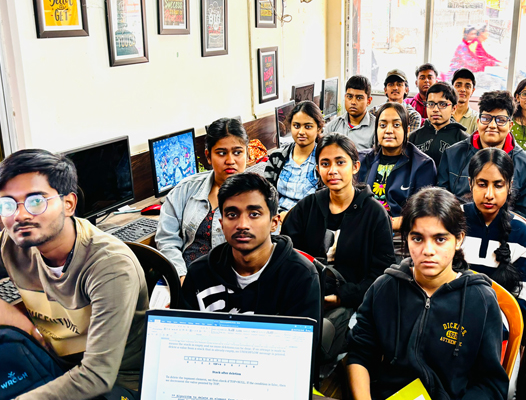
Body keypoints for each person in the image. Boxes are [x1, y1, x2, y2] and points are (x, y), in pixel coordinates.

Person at [0, 149, 148, 399]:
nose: (20, 215)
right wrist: (19, 320)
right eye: (7, 204)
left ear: (68, 204)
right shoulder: (12, 243)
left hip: (117, 382)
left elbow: (97, 376)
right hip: (55, 365)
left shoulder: (110, 266)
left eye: (36, 201)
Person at [347, 187, 508, 400]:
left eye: (440, 239)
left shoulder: (481, 300)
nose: (428, 250)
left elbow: (490, 385)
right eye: (417, 238)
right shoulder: (385, 287)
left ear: (459, 239)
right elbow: (359, 354)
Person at [281, 133, 395, 359]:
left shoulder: (374, 214)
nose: (332, 170)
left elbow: (381, 273)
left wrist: (343, 297)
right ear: (318, 169)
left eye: (340, 162)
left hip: (355, 301)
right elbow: (287, 257)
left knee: (323, 343)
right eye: (325, 164)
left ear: (355, 167)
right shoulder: (307, 207)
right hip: (306, 297)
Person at [181, 173, 321, 322]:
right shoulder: (199, 274)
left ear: (274, 223)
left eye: (254, 214)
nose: (242, 225)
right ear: (222, 224)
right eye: (232, 215)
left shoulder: (300, 276)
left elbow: (302, 336)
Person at [156, 118, 248, 279]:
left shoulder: (260, 197)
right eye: (221, 153)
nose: (230, 161)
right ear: (208, 156)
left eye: (237, 152)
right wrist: (181, 277)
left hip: (233, 282)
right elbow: (166, 239)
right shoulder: (185, 189)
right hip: (186, 277)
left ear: (247, 153)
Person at [438, 90, 526, 226]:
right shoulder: (452, 154)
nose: (492, 125)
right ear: (478, 121)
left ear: (510, 125)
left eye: (501, 120)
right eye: (486, 118)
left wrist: (490, 227)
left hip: (505, 234)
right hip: (457, 229)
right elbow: (441, 203)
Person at [461, 148, 526, 321]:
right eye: (482, 184)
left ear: (509, 186)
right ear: (470, 183)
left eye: (498, 185)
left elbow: (522, 302)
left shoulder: (521, 233)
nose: (489, 195)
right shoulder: (452, 221)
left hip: (496, 324)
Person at [358, 103, 436, 231]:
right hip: (362, 229)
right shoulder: (361, 159)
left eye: (396, 125)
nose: (389, 131)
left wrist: (382, 224)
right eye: (383, 125)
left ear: (407, 130)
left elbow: (423, 214)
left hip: (401, 233)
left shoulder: (422, 164)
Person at [263, 101, 323, 217]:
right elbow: (266, 195)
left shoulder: (324, 161)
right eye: (296, 126)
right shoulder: (277, 158)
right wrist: (280, 215)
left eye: (308, 126)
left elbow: (325, 201)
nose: (301, 132)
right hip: (278, 218)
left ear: (319, 128)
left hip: (309, 220)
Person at [408, 82, 468, 166]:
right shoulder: (414, 137)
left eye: (442, 104)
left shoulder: (463, 140)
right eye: (431, 104)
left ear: (453, 109)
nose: (435, 109)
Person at [325, 75, 376, 151]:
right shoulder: (332, 126)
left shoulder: (376, 128)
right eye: (349, 96)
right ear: (345, 97)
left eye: (359, 98)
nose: (353, 102)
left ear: (368, 101)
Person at [452, 68, 479, 134]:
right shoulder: (444, 114)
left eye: (467, 86)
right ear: (452, 88)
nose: (462, 90)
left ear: (472, 91)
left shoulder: (477, 119)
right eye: (458, 85)